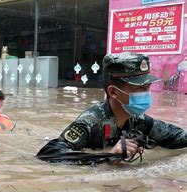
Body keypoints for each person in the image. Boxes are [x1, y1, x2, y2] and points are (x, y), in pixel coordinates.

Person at [37, 53, 186, 163]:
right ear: (113, 92)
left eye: (147, 87)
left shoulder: (138, 120)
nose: (146, 94)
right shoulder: (90, 122)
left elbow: (177, 138)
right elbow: (48, 153)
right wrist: (106, 157)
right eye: (139, 88)